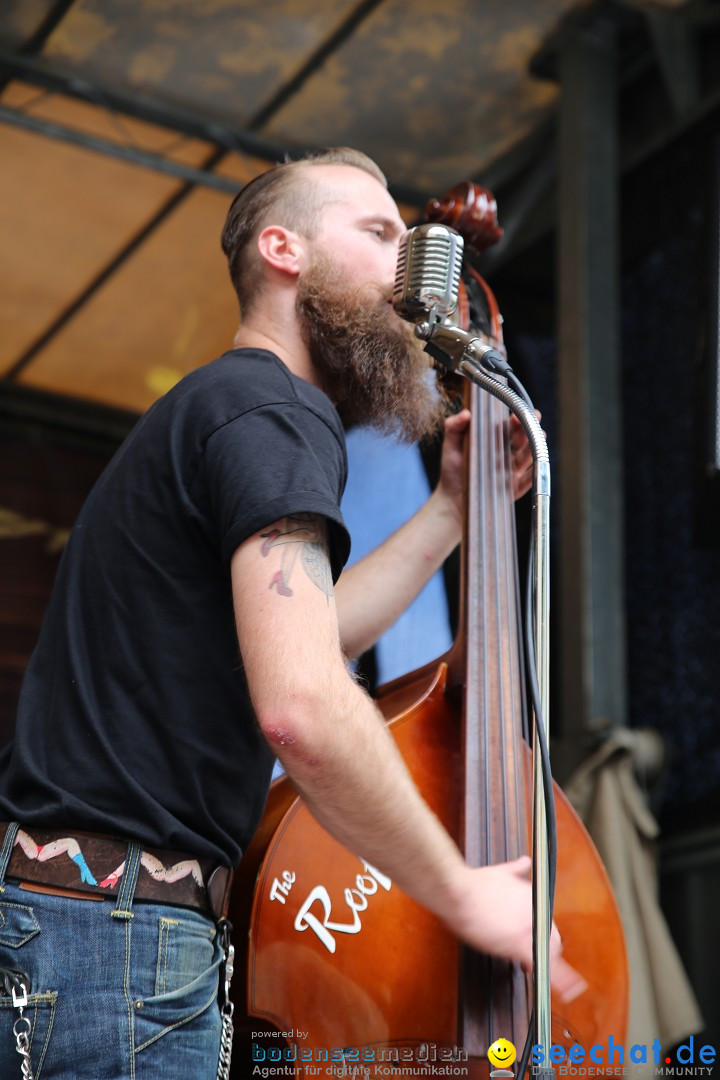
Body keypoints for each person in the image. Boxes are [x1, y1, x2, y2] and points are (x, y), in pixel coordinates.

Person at [0, 147, 583, 1078]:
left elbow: (314, 627)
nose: (407, 265)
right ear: (283, 250)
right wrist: (462, 894)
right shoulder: (273, 408)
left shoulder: (228, 408)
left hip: (92, 925)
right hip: (114, 937)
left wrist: (447, 514)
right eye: (378, 231)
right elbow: (304, 703)